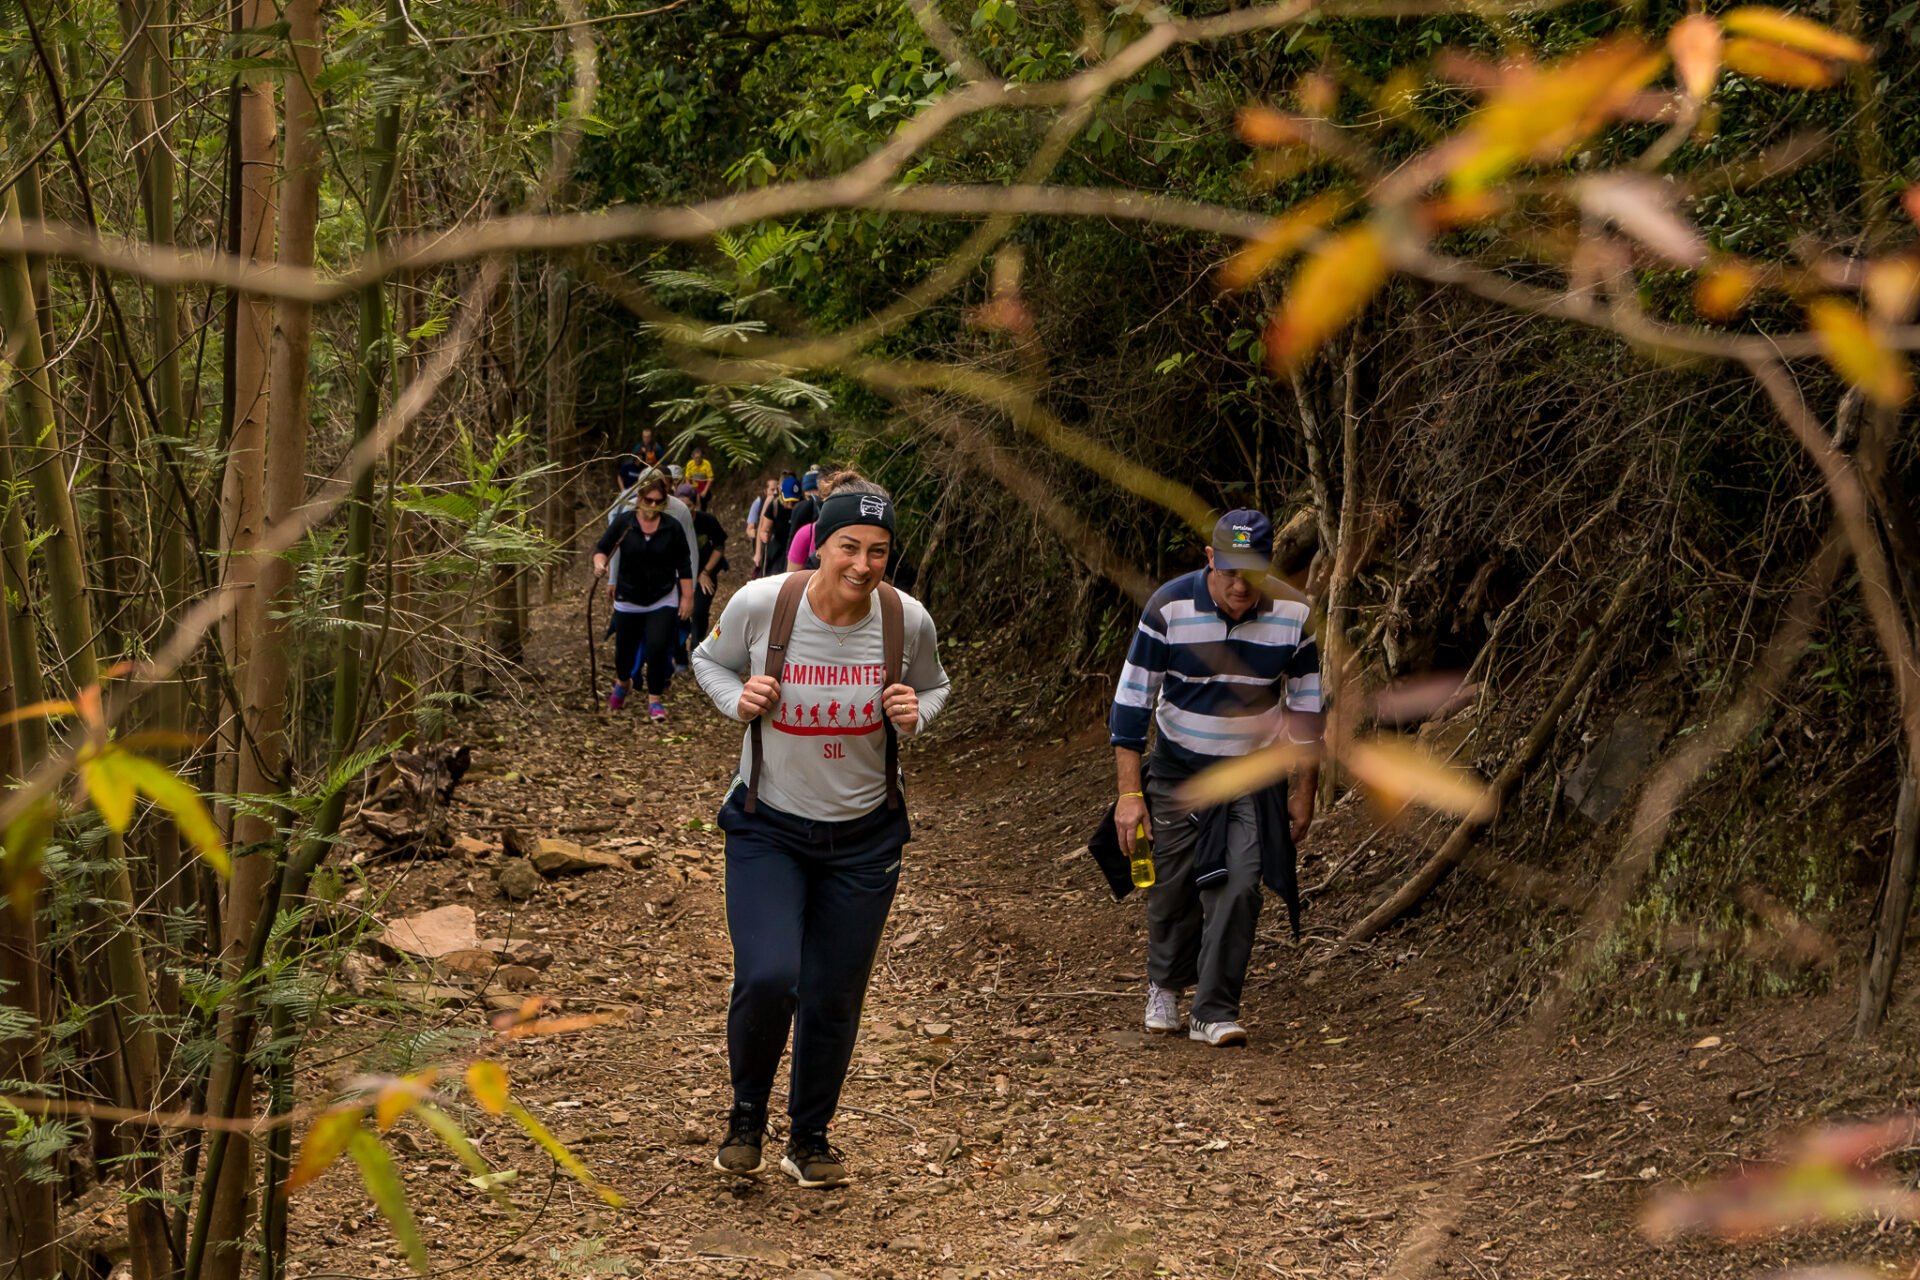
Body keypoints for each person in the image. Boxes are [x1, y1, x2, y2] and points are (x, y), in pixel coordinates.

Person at [691, 481, 951, 1189]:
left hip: (866, 839)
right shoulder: (763, 605)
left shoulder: (907, 621)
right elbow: (706, 660)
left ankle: (809, 1138)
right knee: (771, 974)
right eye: (849, 548)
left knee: (835, 992)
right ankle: (746, 1117)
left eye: (878, 552)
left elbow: (936, 686)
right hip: (767, 826)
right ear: (821, 545)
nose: (863, 565)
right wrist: (735, 699)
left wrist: (913, 713)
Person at [1109, 509, 1321, 1047]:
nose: (1238, 584)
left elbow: (1306, 710)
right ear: (1211, 560)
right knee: (1171, 885)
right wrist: (1130, 795)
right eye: (1228, 571)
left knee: (1243, 883)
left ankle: (1214, 1008)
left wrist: (1304, 791)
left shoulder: (1295, 614)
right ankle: (1165, 984)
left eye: (1251, 572)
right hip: (1179, 767)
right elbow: (1132, 702)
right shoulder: (1170, 605)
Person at [594, 473, 694, 720]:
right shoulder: (625, 523)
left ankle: (655, 699)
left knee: (657, 647)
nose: (652, 506)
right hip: (628, 598)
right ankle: (623, 681)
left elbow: (684, 564)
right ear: (639, 499)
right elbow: (602, 548)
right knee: (624, 652)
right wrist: (601, 565)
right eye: (648, 500)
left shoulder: (672, 527)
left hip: (662, 597)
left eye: (657, 501)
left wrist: (687, 597)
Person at [684, 482, 729, 647]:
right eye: (681, 506)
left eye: (688, 505)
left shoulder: (707, 521)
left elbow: (719, 546)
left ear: (694, 505)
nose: (685, 509)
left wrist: (704, 572)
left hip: (705, 573)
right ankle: (679, 656)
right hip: (682, 575)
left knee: (699, 612)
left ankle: (696, 648)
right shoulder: (673, 522)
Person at [687, 447, 716, 511]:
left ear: (702, 457)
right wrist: (689, 488)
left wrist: (705, 491)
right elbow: (687, 478)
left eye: (699, 457)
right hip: (694, 485)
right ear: (693, 457)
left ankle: (703, 513)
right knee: (691, 500)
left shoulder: (706, 464)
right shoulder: (690, 464)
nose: (698, 460)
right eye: (696, 458)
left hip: (703, 485)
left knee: (703, 501)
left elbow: (710, 478)